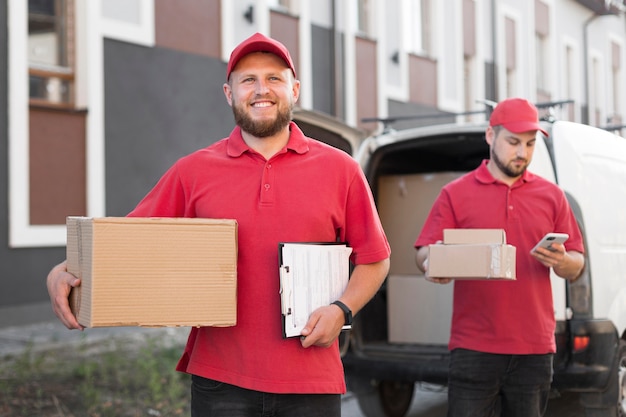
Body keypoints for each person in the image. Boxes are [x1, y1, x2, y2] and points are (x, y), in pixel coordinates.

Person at [47, 32, 391, 417]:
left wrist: (342, 310)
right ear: (229, 93)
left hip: (311, 379)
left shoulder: (341, 169)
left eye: (274, 78)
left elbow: (375, 259)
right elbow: (125, 244)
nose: (262, 89)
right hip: (221, 382)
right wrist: (63, 271)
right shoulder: (193, 171)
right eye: (248, 80)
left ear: (294, 89)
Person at [414, 97, 585, 417]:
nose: (522, 152)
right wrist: (433, 264)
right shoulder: (455, 193)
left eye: (530, 144)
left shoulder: (552, 196)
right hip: (473, 348)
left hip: (534, 349)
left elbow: (576, 263)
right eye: (513, 142)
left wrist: (561, 260)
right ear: (491, 136)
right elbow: (424, 250)